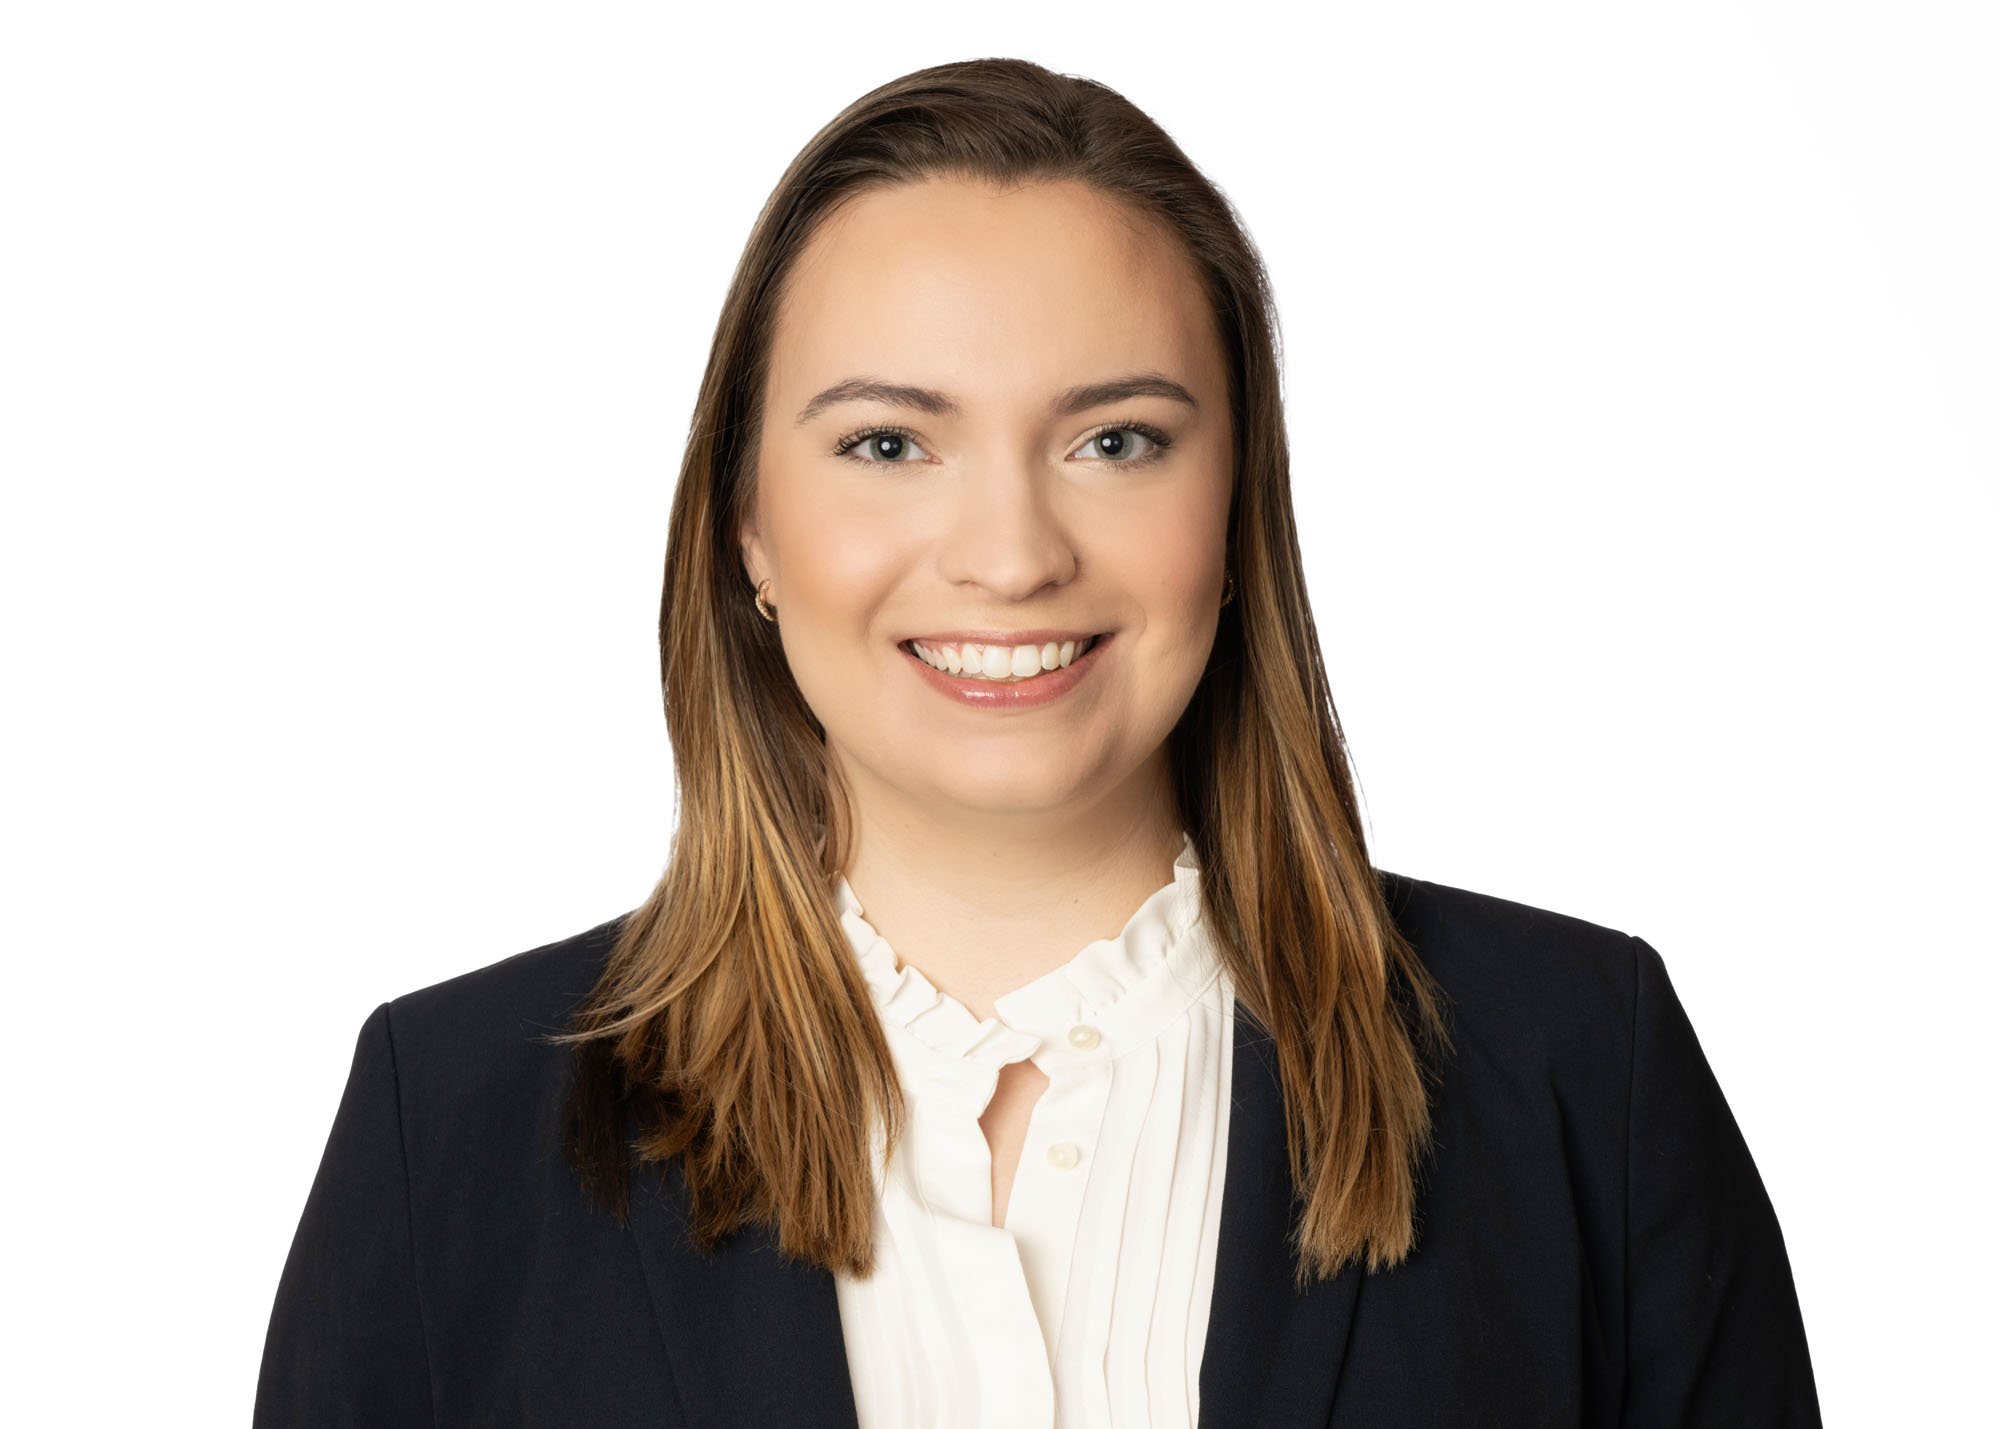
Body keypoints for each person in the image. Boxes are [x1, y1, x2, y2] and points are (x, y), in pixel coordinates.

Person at [253, 57, 1821, 1428]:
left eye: (1114, 440)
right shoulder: (449, 1120)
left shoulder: (1571, 1072)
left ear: (1236, 505)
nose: (1009, 553)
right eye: (889, 442)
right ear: (747, 523)